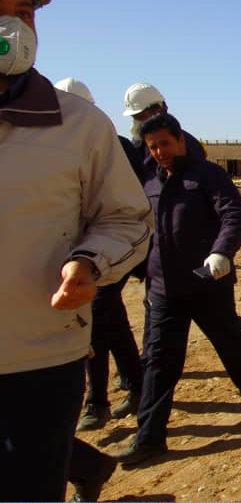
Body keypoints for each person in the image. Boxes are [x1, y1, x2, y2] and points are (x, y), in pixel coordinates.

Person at [0, 0, 152, 499]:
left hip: (40, 360)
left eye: (23, 13)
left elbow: (129, 218)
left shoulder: (80, 126)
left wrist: (90, 262)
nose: (13, 28)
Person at [115, 112, 241, 466]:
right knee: (159, 361)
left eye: (165, 144)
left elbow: (234, 215)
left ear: (181, 140)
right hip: (163, 289)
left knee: (229, 341)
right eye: (153, 147)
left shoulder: (207, 175)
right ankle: (149, 438)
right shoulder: (149, 182)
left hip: (206, 283)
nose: (160, 152)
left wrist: (221, 252)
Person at [54, 77, 145, 430]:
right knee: (112, 319)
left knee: (95, 317)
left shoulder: (113, 146)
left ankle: (97, 402)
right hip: (71, 253)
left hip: (109, 250)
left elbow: (132, 205)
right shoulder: (51, 146)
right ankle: (136, 384)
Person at [122, 81, 206, 177]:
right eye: (135, 117)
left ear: (159, 110)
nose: (138, 123)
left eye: (141, 116)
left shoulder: (188, 144)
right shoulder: (138, 144)